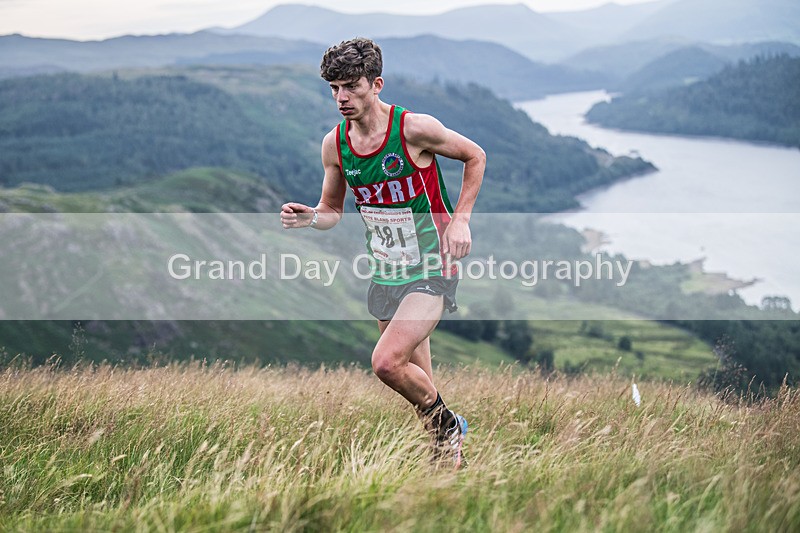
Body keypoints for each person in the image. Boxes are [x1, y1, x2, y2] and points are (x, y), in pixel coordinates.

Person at [280, 37, 485, 469]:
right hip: (386, 272)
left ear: (376, 83)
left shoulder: (413, 129)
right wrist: (310, 218)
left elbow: (475, 156)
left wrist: (462, 220)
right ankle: (449, 463)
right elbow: (332, 210)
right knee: (418, 383)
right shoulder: (335, 145)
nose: (341, 97)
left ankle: (450, 427)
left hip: (432, 264)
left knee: (387, 364)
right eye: (334, 88)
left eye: (351, 86)